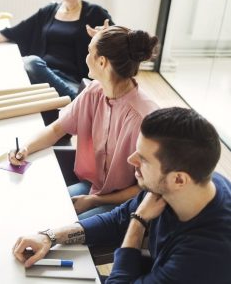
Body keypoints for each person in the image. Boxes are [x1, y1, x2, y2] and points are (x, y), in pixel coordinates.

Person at [12, 107, 231, 283]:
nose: (131, 160)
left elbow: (130, 221)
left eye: (143, 159)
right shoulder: (187, 185)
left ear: (179, 179)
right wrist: (50, 237)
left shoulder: (204, 257)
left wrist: (138, 222)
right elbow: (117, 220)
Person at [9, 26, 159, 219]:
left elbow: (147, 188)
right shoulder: (94, 91)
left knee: (60, 227)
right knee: (40, 211)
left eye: (90, 52)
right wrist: (25, 149)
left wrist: (96, 201)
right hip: (93, 187)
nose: (86, 57)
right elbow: (56, 129)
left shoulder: (144, 118)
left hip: (126, 203)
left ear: (102, 62)